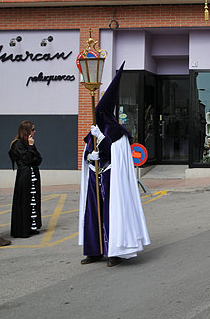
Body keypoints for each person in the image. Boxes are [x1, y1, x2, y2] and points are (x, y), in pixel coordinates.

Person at [79, 64, 150, 267]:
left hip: (111, 177)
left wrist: (102, 139)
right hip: (95, 176)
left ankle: (114, 251)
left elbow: (116, 153)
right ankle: (94, 250)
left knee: (112, 213)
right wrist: (89, 155)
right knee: (93, 213)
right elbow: (87, 153)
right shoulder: (94, 129)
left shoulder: (116, 131)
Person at [9, 120, 42, 238]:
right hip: (25, 175)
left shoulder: (29, 143)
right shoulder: (17, 144)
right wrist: (31, 147)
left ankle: (31, 227)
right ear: (26, 131)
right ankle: (22, 230)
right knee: (24, 201)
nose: (35, 131)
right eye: (33, 129)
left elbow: (38, 160)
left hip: (33, 175)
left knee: (33, 201)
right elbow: (27, 159)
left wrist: (32, 148)